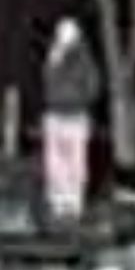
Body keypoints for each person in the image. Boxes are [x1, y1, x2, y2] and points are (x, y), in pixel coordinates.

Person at [41, 17, 101, 225]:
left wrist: (78, 99)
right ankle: (58, 200)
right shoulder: (53, 55)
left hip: (75, 115)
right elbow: (47, 82)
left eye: (68, 32)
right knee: (55, 161)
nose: (63, 36)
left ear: (76, 35)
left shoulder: (84, 59)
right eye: (61, 31)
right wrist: (53, 61)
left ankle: (74, 202)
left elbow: (93, 86)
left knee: (75, 160)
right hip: (54, 114)